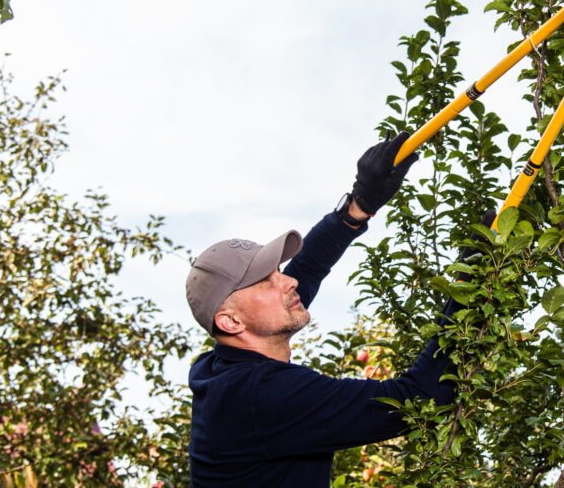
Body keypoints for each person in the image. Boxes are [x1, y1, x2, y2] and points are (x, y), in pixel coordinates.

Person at [185, 132, 458, 487]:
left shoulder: (220, 369)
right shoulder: (261, 394)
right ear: (231, 322)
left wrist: (357, 208)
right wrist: (467, 291)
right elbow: (419, 398)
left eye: (278, 271)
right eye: (265, 281)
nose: (288, 281)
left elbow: (308, 268)